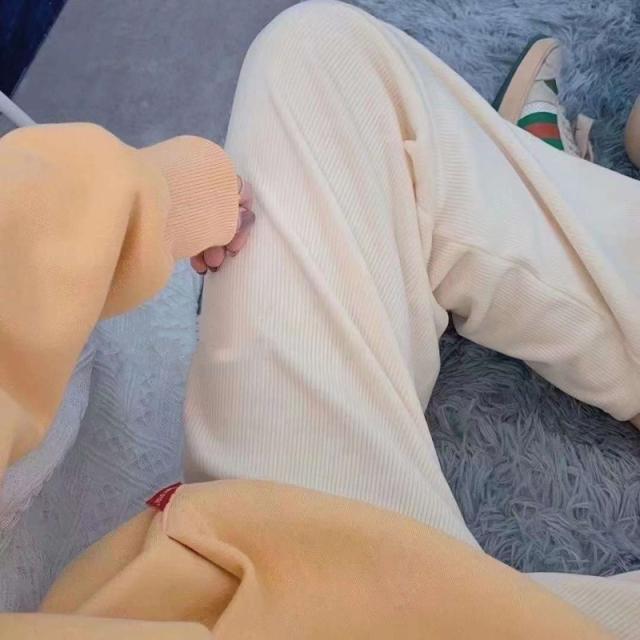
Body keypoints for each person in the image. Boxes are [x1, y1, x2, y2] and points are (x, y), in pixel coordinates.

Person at [1, 1, 639, 637]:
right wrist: (145, 198)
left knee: (321, 57)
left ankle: (553, 207)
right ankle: (562, 214)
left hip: (246, 568)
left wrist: (150, 202)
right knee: (331, 75)